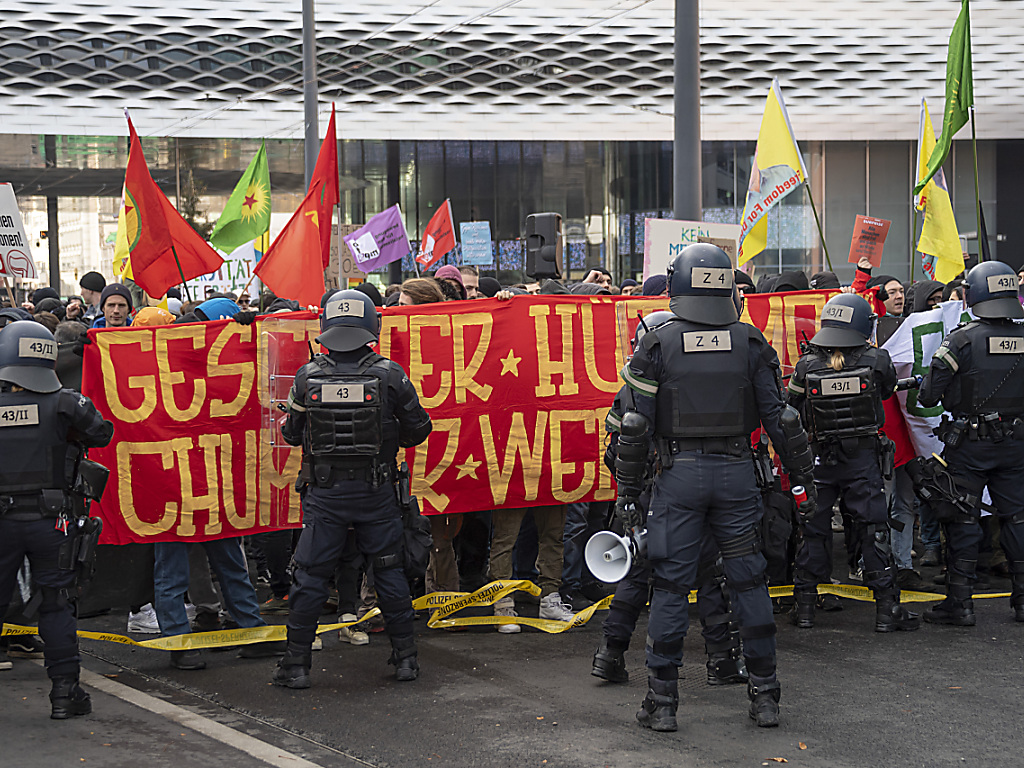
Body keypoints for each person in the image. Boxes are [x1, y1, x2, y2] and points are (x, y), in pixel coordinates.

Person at [618, 243, 817, 731]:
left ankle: (662, 703)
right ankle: (765, 696)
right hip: (737, 476)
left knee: (670, 587)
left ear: (677, 284)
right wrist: (802, 481)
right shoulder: (750, 341)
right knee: (748, 581)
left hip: (678, 479)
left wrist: (627, 493)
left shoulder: (658, 343)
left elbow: (634, 427)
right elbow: (783, 420)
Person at [273, 289, 432, 688]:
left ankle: (296, 666)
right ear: (370, 326)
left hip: (325, 494)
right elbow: (418, 430)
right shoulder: (390, 375)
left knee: (310, 576)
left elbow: (291, 435)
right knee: (389, 572)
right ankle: (406, 660)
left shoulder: (306, 377)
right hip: (377, 493)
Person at [594, 310, 748, 689]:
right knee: (709, 573)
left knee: (638, 573)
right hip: (682, 491)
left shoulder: (629, 390)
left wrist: (634, 488)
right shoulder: (691, 384)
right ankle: (721, 661)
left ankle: (609, 654)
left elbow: (614, 454)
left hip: (649, 494)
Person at [787, 293, 920, 634]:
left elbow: (791, 407)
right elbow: (887, 392)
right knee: (873, 529)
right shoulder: (877, 360)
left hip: (818, 459)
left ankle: (805, 607)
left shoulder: (806, 365)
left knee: (812, 529)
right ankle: (887, 610)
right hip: (862, 459)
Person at [0, 321, 113, 718]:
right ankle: (65, 693)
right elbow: (102, 433)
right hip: (53, 521)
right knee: (57, 604)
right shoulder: (65, 403)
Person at [918, 261, 1024, 626]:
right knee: (1017, 517)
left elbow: (928, 396)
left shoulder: (961, 340)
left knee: (962, 517)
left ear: (974, 294)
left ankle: (960, 605)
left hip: (970, 446)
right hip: (1016, 444)